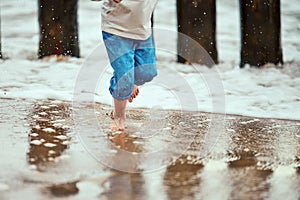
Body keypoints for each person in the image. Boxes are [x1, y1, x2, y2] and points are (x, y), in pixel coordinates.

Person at [101, 0, 158, 131]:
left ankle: (130, 83)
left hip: (143, 30)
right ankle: (119, 117)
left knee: (147, 72)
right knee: (124, 78)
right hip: (115, 28)